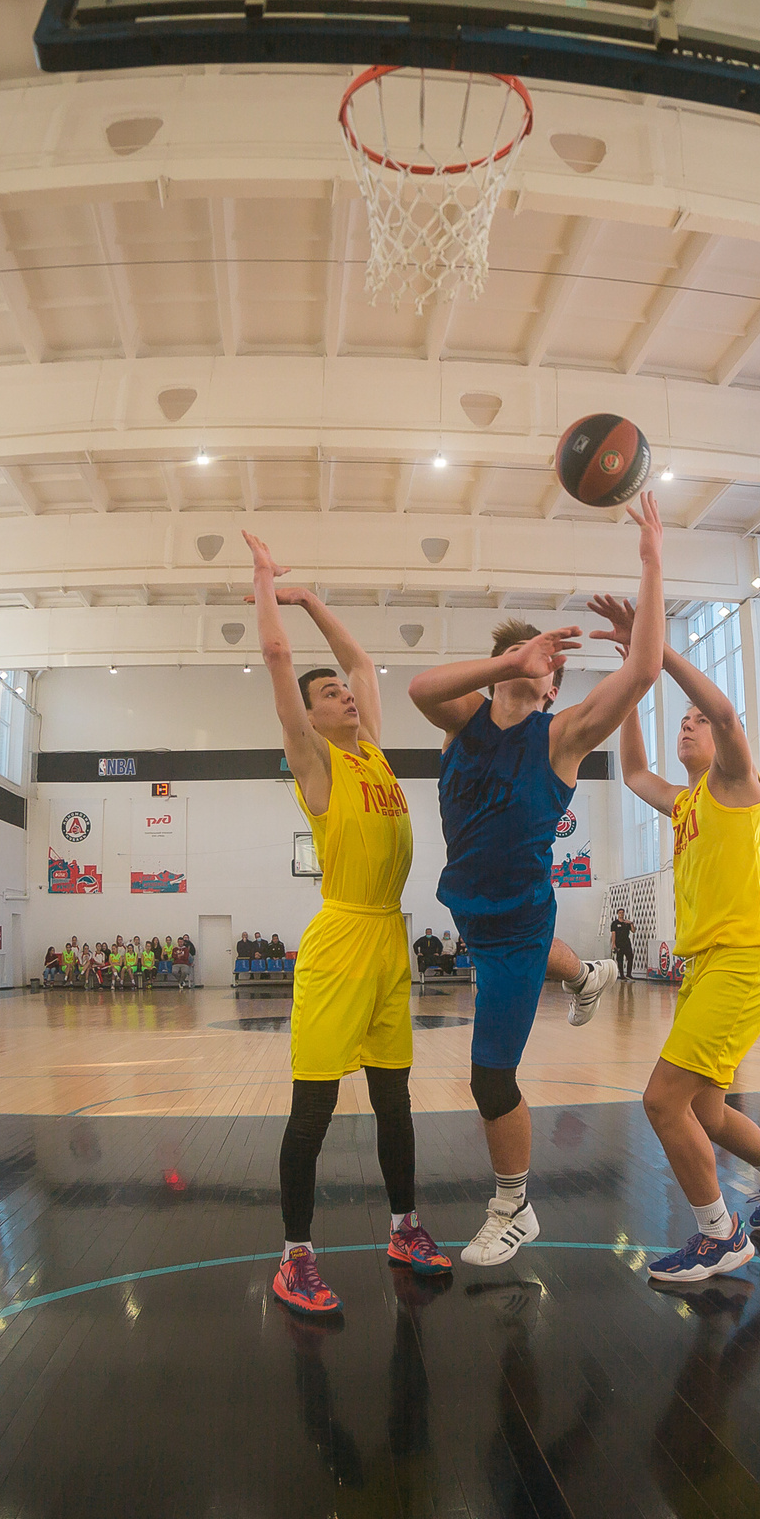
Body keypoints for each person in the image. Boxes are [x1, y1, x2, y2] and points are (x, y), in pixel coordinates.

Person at [407, 491, 665, 1267]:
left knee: (490, 1080)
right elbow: (420, 688)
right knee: (537, 966)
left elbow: (645, 670)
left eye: (548, 661)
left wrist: (651, 561)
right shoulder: (464, 721)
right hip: (473, 916)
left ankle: (514, 1206)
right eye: (530, 655)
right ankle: (587, 973)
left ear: (554, 685)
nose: (540, 664)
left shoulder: (563, 736)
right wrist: (508, 659)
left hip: (519, 919)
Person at [245, 530, 447, 1318]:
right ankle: (294, 1257)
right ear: (310, 716)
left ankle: (405, 1228)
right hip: (340, 944)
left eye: (346, 693)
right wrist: (269, 586)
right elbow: (277, 658)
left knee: (395, 1098)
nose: (347, 696)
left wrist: (313, 600)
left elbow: (361, 661)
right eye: (330, 695)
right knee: (315, 1110)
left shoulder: (374, 753)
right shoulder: (318, 763)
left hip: (390, 940)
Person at [602, 590, 760, 1282]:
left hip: (745, 958)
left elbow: (726, 713)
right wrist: (632, 682)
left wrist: (656, 650)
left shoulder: (736, 783)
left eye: (697, 718)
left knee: (662, 1101)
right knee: (705, 1108)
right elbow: (633, 773)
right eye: (684, 721)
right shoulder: (685, 801)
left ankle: (720, 1234)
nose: (690, 723)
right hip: (709, 967)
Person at [610, 908, 634, 982]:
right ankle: (622, 975)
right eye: (620, 913)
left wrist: (631, 923)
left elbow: (633, 931)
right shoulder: (615, 923)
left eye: (622, 912)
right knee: (620, 959)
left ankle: (629, 974)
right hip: (619, 943)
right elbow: (613, 934)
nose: (621, 914)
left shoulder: (626, 923)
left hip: (626, 943)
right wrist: (613, 944)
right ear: (618, 914)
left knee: (630, 958)